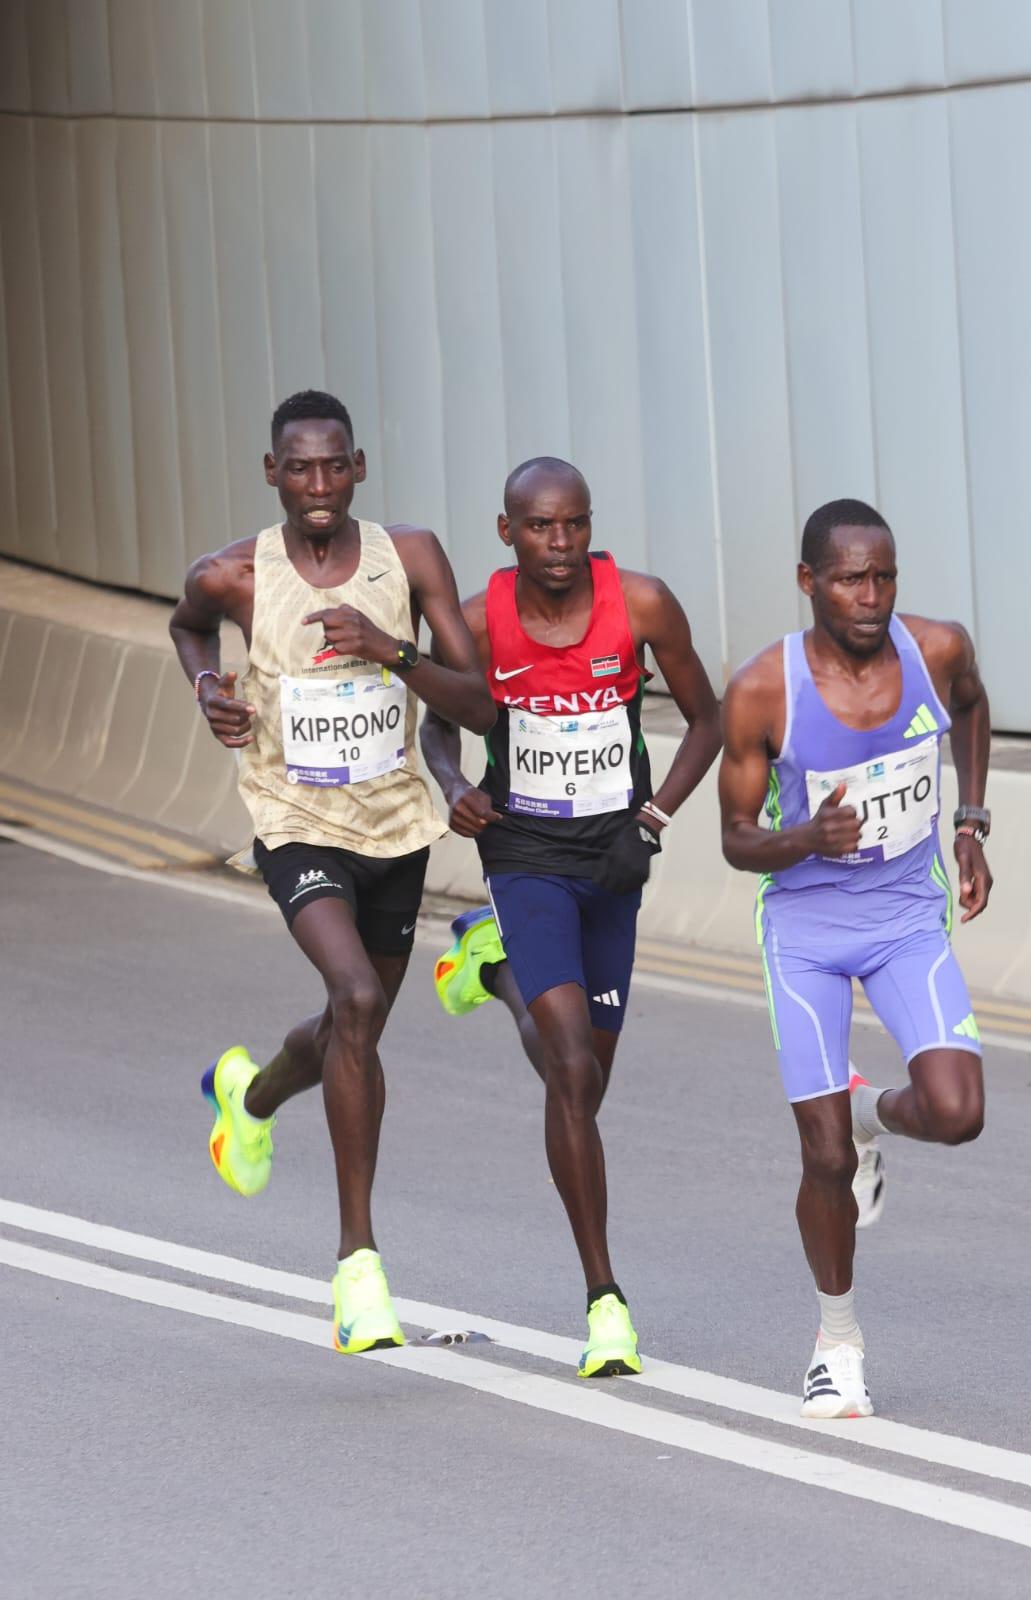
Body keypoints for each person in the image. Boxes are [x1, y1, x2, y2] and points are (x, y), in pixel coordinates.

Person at [169, 389, 494, 1355]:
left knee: (357, 1025)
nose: (318, 485)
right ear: (273, 473)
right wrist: (207, 689)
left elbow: (477, 704)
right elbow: (187, 628)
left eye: (333, 466)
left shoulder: (411, 557)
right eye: (299, 468)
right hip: (295, 822)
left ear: (358, 469)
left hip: (395, 824)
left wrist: (389, 649)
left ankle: (249, 1098)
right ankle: (359, 1268)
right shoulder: (232, 575)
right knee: (352, 997)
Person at [420, 457, 722, 1378]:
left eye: (574, 524)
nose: (560, 543)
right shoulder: (477, 619)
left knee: (584, 1082)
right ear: (506, 531)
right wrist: (452, 782)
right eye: (540, 527)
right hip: (523, 851)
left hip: (613, 857)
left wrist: (653, 819)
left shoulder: (642, 603)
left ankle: (493, 968)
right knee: (570, 1066)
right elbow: (436, 718)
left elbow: (707, 720)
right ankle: (605, 1301)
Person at [718, 498, 992, 1418]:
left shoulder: (936, 650)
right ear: (808, 582)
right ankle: (836, 1344)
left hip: (905, 914)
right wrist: (804, 837)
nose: (869, 597)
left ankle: (870, 1111)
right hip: (805, 929)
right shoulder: (764, 690)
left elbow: (971, 707)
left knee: (957, 1112)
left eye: (882, 577)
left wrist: (969, 825)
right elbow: (734, 840)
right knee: (822, 1154)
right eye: (847, 580)